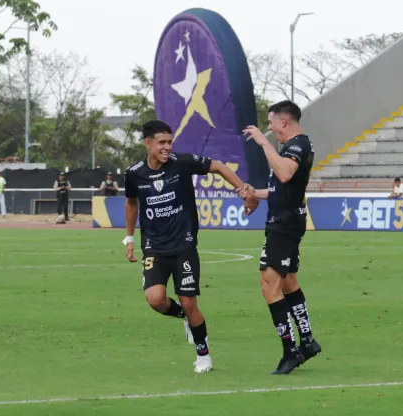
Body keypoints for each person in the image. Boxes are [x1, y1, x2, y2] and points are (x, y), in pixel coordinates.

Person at [123, 119, 246, 373]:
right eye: (161, 143)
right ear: (148, 144)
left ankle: (203, 355)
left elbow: (219, 167)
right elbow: (131, 203)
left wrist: (243, 190)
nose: (167, 147)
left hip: (184, 247)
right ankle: (184, 319)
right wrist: (130, 238)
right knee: (155, 299)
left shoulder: (183, 163)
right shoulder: (134, 173)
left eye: (170, 142)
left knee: (190, 303)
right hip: (154, 248)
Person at [239, 100, 322, 375]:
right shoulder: (291, 148)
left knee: (268, 283)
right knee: (288, 281)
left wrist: (264, 144)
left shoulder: (298, 145)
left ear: (283, 122)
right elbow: (278, 188)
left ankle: (291, 351)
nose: (270, 128)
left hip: (284, 225)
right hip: (285, 221)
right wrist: (254, 192)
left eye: (271, 122)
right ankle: (307, 341)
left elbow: (285, 174)